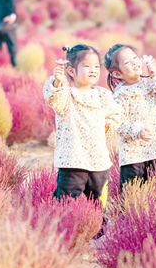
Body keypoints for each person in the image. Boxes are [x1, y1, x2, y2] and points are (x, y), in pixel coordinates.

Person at [46, 45, 123, 237]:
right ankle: (61, 233)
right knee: (65, 200)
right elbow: (54, 100)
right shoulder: (66, 95)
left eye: (96, 66)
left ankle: (98, 234)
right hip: (73, 160)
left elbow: (116, 113)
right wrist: (57, 82)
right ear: (71, 70)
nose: (93, 70)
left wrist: (110, 123)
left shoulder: (102, 95)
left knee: (98, 201)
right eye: (87, 66)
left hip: (98, 161)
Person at [104, 45, 156, 191]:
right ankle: (128, 213)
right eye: (127, 62)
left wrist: (155, 78)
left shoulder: (152, 83)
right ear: (117, 74)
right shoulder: (120, 96)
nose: (134, 62)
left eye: (134, 57)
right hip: (134, 154)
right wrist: (136, 131)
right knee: (132, 192)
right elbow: (119, 123)